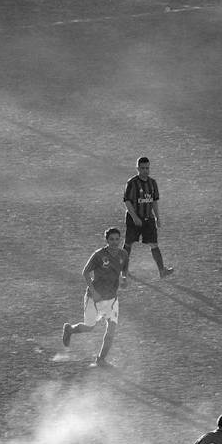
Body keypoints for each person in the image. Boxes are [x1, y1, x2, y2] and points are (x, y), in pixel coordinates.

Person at [61, 227, 128, 367]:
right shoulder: (98, 255)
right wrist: (94, 292)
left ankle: (100, 359)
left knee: (111, 331)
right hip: (94, 298)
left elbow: (124, 270)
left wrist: (124, 278)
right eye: (111, 240)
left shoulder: (123, 254)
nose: (115, 242)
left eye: (117, 239)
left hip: (112, 300)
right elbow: (85, 272)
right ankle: (70, 329)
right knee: (90, 327)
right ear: (107, 240)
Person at [123, 156, 175, 279]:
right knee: (128, 244)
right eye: (142, 168)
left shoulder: (152, 183)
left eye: (147, 168)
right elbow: (127, 202)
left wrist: (157, 217)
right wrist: (135, 217)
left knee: (154, 244)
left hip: (148, 219)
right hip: (133, 219)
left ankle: (162, 271)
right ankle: (123, 271)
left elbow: (154, 202)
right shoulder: (132, 183)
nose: (145, 170)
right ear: (137, 168)